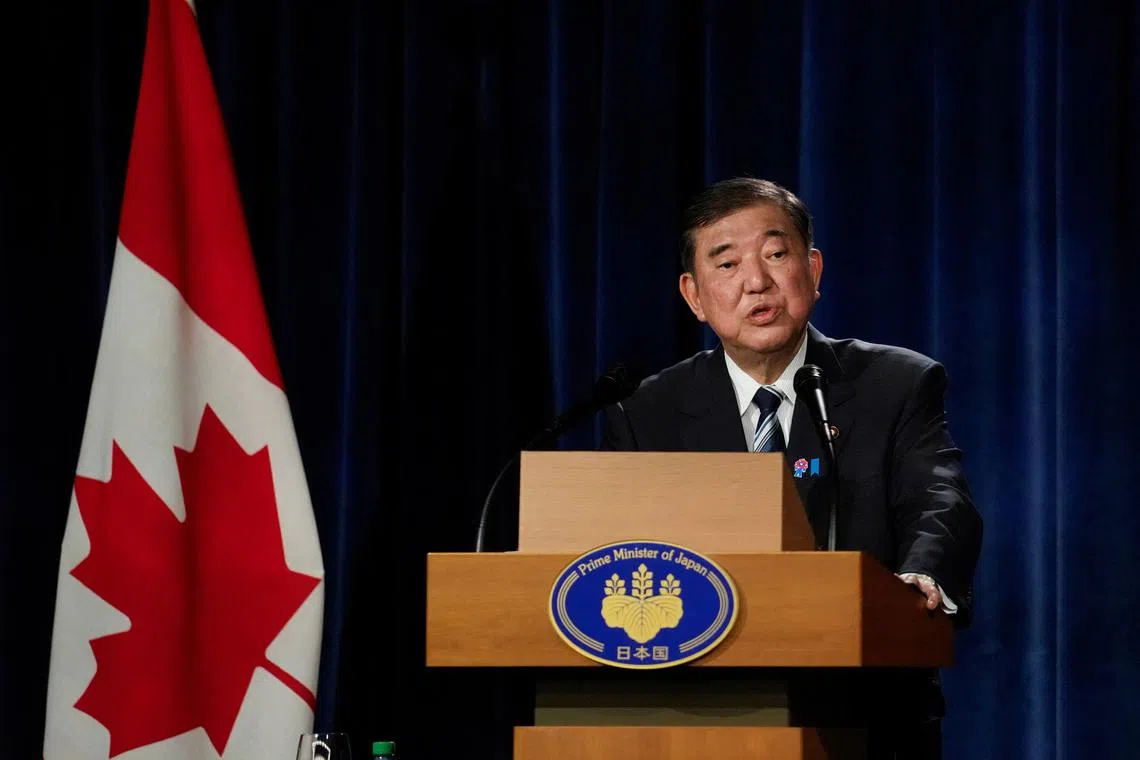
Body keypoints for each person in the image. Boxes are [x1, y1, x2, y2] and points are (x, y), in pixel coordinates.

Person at [602, 177, 983, 759]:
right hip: (703, 713)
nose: (757, 281)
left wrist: (921, 576)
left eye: (776, 254)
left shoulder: (896, 384)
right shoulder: (647, 412)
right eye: (726, 264)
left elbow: (939, 496)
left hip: (868, 713)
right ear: (694, 296)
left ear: (814, 269)